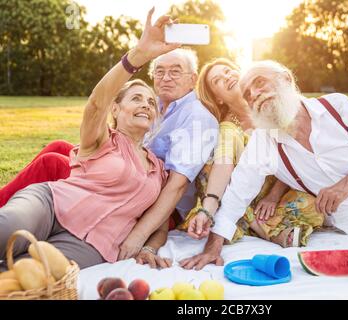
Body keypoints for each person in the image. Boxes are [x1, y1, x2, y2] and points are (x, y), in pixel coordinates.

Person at [180, 60, 348, 270]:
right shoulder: (264, 141)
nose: (255, 95)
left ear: (285, 78)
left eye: (260, 83)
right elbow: (238, 195)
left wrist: (344, 185)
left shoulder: (337, 106)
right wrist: (212, 248)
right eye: (248, 94)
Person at [0, 8, 178, 270]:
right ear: (115, 110)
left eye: (151, 102)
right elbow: (96, 104)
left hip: (92, 245)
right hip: (51, 205)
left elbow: (160, 224)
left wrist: (149, 247)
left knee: (25, 278)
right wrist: (137, 57)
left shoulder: (159, 169)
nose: (146, 105)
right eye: (136, 98)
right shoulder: (104, 139)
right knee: (5, 229)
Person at [176, 58, 323, 258]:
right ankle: (264, 229)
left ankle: (255, 224)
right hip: (241, 195)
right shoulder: (228, 129)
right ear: (218, 98)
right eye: (217, 80)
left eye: (228, 71)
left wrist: (273, 196)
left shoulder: (275, 105)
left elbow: (292, 155)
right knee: (214, 178)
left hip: (275, 192)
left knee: (314, 201)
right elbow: (224, 166)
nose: (226, 77)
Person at [117, 49, 219, 265]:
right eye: (160, 71)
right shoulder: (152, 103)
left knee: (53, 161)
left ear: (192, 79)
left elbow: (177, 186)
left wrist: (140, 236)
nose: (165, 77)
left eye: (175, 71)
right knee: (60, 150)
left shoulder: (197, 117)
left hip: (161, 207)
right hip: (127, 179)